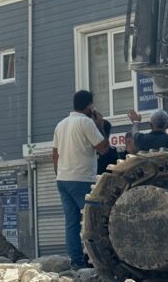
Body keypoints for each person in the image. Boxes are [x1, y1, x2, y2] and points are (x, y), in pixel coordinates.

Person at [52, 90, 110, 269]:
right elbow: (103, 148)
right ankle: (98, 260)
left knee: (71, 223)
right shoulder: (86, 122)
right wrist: (99, 125)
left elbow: (55, 155)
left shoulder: (60, 125)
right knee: (93, 221)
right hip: (82, 178)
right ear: (89, 106)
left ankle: (76, 262)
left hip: (63, 179)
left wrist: (59, 174)